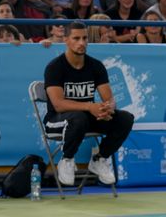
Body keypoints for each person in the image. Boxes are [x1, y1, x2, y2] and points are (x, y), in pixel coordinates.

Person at [43, 21, 135, 186]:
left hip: (85, 119)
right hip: (56, 120)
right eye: (76, 38)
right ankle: (67, 159)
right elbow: (58, 104)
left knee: (125, 118)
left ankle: (100, 159)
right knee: (79, 118)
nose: (82, 43)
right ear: (66, 40)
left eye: (84, 38)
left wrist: (107, 108)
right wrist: (89, 106)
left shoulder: (96, 66)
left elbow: (109, 99)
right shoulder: (55, 67)